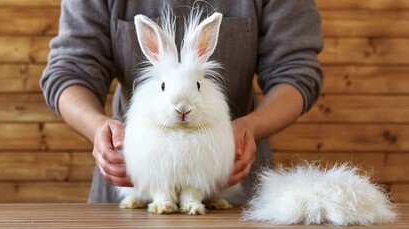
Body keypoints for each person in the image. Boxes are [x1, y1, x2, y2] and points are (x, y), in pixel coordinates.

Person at [40, 0, 323, 203]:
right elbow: (70, 69)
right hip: (129, 185)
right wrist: (97, 127)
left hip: (237, 183)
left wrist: (246, 129)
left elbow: (297, 71)